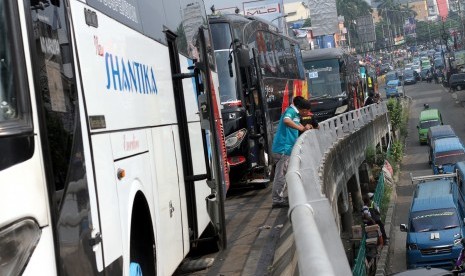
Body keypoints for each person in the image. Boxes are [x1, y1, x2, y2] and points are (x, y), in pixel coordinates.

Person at [271, 96, 318, 208]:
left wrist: (305, 128)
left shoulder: (296, 114)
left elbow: (298, 125)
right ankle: (277, 200)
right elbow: (286, 121)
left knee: (286, 174)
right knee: (281, 175)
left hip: (287, 149)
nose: (308, 114)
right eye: (307, 111)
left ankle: (280, 197)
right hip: (283, 149)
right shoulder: (291, 111)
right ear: (303, 109)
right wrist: (302, 129)